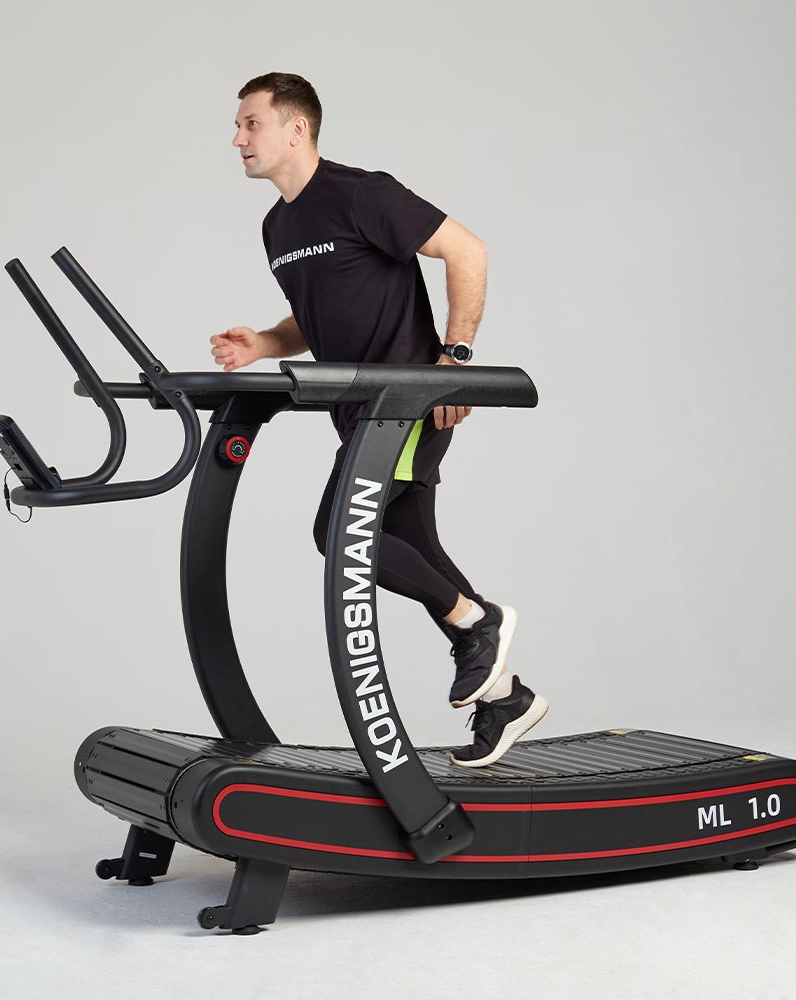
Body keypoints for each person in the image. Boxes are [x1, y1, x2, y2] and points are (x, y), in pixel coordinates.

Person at [211, 72, 547, 767]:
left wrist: (454, 360)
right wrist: (267, 343)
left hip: (405, 406)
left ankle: (479, 621)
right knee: (413, 548)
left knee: (339, 534)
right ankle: (505, 697)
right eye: (237, 126)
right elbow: (320, 311)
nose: (237, 138)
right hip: (356, 414)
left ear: (296, 128)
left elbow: (467, 249)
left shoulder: (360, 193)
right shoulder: (279, 226)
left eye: (250, 123)